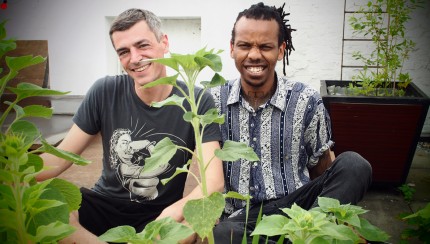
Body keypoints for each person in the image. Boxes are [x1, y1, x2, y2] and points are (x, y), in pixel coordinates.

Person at [36, 8, 224, 243]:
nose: (134, 58)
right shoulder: (105, 92)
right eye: (124, 51)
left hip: (161, 212)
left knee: (191, 225)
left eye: (142, 45)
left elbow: (213, 180)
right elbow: (59, 157)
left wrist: (169, 216)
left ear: (163, 42)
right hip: (104, 204)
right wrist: (14, 172)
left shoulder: (197, 101)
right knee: (46, 206)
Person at [211, 2, 372, 243]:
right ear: (232, 48)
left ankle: (312, 233)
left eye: (265, 46)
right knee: (222, 234)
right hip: (241, 218)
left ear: (280, 50)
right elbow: (200, 170)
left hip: (296, 208)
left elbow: (322, 166)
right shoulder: (213, 101)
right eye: (244, 45)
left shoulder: (306, 101)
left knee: (355, 165)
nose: (254, 55)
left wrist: (330, 205)